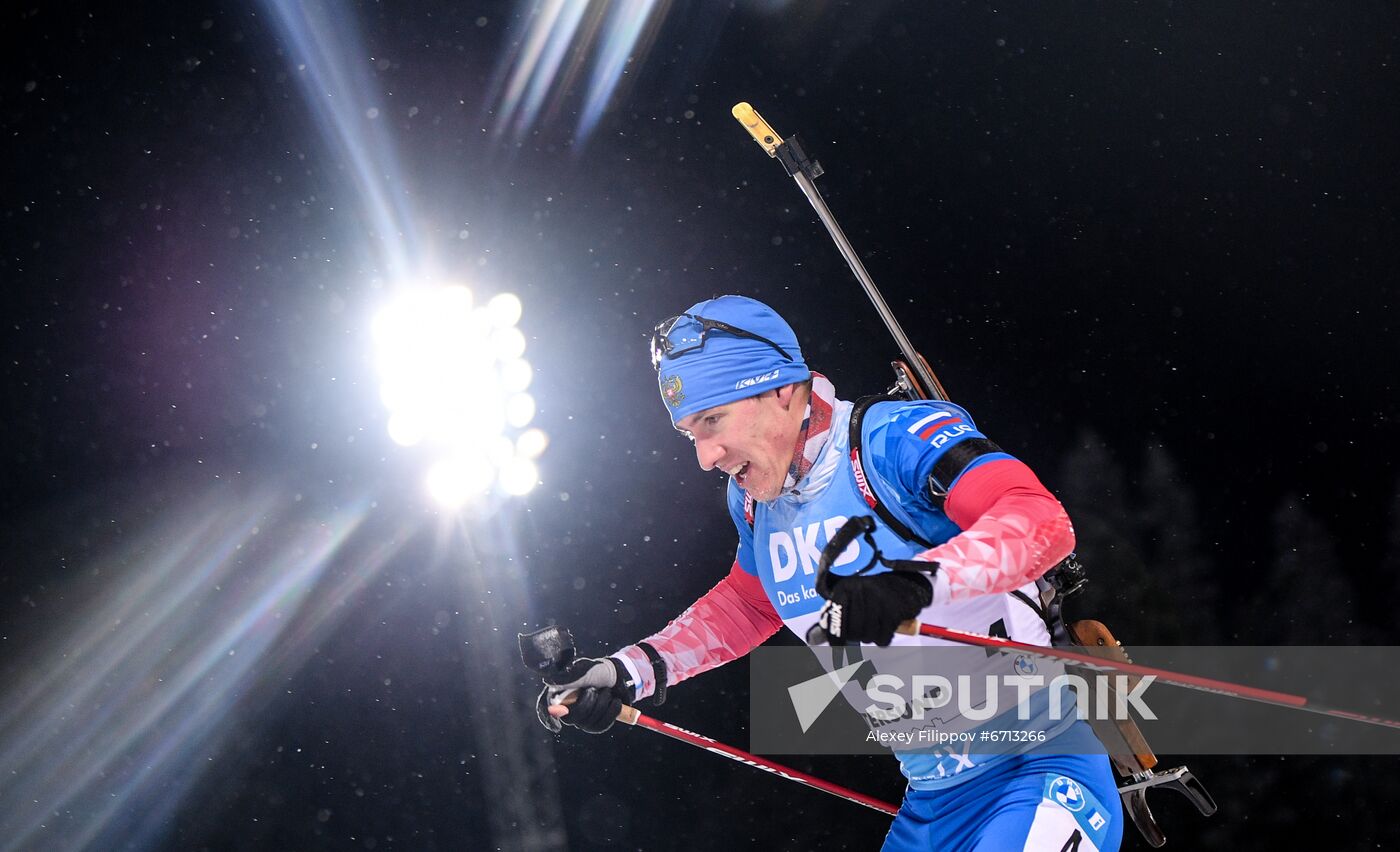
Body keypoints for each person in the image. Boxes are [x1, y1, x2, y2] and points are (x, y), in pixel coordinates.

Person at [536, 295, 1124, 851]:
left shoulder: (892, 441)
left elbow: (1039, 520)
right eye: (690, 433)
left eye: (713, 420)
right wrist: (626, 672)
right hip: (933, 805)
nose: (705, 457)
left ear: (784, 390)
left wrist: (915, 584)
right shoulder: (753, 504)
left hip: (1039, 769)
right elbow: (748, 603)